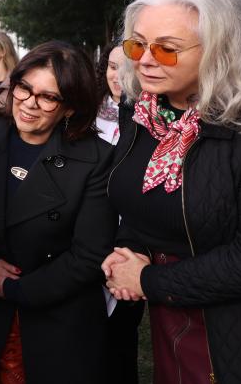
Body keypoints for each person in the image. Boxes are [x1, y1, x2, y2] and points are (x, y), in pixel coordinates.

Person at [101, 0, 241, 384]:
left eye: (167, 48)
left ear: (220, 50)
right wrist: (127, 250)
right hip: (172, 316)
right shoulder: (143, 110)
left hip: (230, 328)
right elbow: (139, 194)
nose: (144, 60)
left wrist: (147, 280)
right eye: (137, 44)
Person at [0, 41, 116, 384]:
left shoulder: (97, 159)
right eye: (24, 88)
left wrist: (19, 288)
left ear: (70, 108)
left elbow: (90, 254)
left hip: (57, 317)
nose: (29, 103)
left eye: (48, 97)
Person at [94, 40, 144, 384]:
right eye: (112, 66)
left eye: (126, 66)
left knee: (121, 336)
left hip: (131, 239)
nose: (118, 75)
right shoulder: (85, 115)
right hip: (89, 236)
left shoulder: (150, 120)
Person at [95, 43, 125, 145]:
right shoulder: (90, 107)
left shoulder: (146, 116)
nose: (118, 76)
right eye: (113, 67)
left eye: (127, 70)